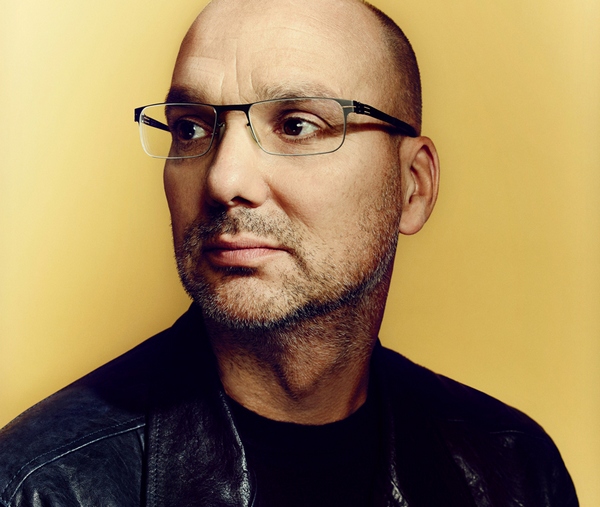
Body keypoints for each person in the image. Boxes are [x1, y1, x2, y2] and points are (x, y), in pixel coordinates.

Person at [0, 0, 578, 505]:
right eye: (192, 128)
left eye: (297, 126)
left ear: (412, 187)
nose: (224, 179)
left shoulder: (515, 469)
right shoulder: (41, 488)